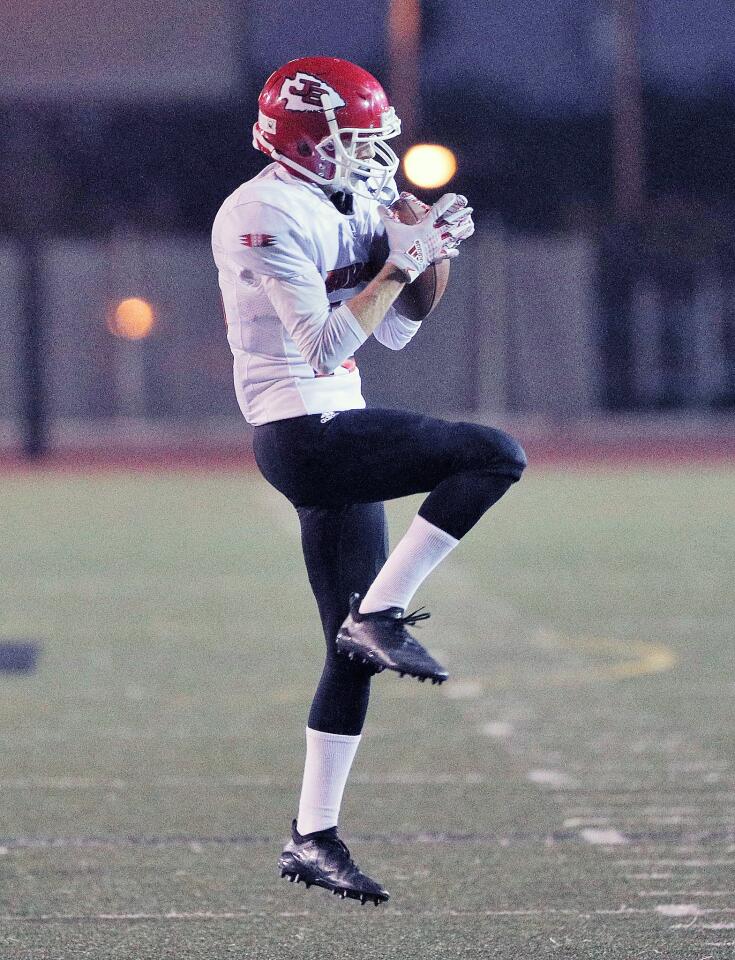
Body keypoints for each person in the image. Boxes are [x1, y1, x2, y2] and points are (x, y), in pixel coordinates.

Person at [211, 56, 526, 906]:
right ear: (307, 141)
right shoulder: (260, 210)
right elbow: (323, 347)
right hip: (303, 429)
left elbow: (398, 330)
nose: (369, 156)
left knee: (344, 653)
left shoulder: (345, 199)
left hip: (335, 421)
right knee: (491, 453)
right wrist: (394, 264)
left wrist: (426, 251)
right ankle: (381, 613)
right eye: (353, 141)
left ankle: (311, 837)